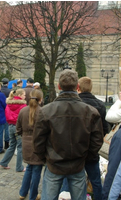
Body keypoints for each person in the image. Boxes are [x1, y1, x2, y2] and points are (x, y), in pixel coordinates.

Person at [33, 69, 103, 200]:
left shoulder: (46, 111)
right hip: (74, 164)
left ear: (59, 86)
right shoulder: (90, 111)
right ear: (77, 87)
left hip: (56, 164)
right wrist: (86, 157)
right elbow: (97, 141)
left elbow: (38, 141)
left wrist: (46, 158)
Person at [77, 76, 108, 200]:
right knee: (96, 180)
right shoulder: (100, 105)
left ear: (78, 87)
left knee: (74, 180)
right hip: (92, 148)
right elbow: (104, 129)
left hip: (77, 148)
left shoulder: (74, 103)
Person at [17, 89, 44, 200]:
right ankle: (33, 195)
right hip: (38, 144)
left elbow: (18, 128)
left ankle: (23, 193)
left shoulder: (23, 111)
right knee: (36, 170)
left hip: (26, 143)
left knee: (29, 168)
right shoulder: (43, 112)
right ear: (40, 99)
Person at [0, 89, 27, 172]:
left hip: (10, 126)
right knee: (20, 147)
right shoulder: (23, 106)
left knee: (12, 145)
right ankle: (19, 167)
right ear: (20, 95)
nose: (25, 96)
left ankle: (3, 162)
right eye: (24, 95)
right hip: (18, 127)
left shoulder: (9, 104)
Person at [1, 78, 11, 149]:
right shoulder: (9, 91)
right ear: (7, 83)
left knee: (0, 129)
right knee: (7, 128)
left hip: (0, 110)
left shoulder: (0, 91)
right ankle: (6, 143)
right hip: (7, 110)